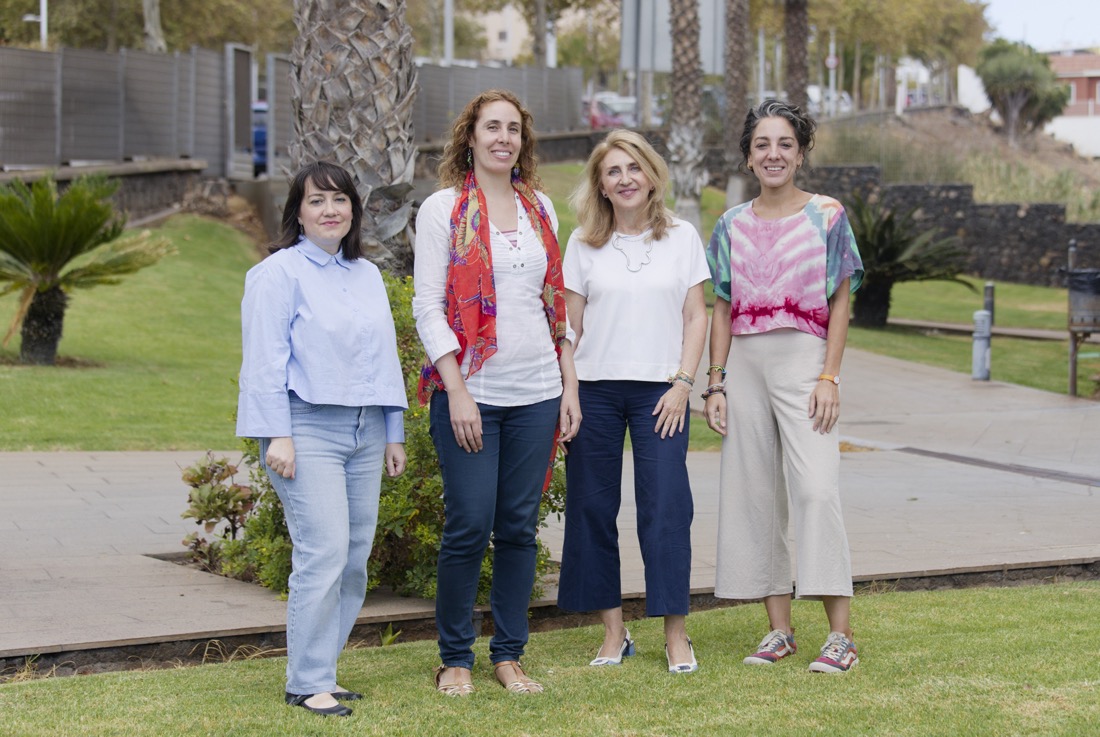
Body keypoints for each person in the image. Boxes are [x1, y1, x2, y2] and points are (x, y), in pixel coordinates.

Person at [412, 89, 581, 697]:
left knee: (517, 526)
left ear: (523, 141)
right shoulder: (443, 209)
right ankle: (454, 657)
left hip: (537, 391)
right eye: (492, 127)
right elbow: (427, 307)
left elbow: (554, 304)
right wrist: (457, 390)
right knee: (468, 523)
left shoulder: (541, 210)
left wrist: (569, 386)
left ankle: (508, 654)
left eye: (513, 129)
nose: (503, 138)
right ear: (470, 136)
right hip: (472, 392)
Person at [236, 161, 408, 716]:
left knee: (354, 556)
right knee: (323, 550)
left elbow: (384, 359)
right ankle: (306, 680)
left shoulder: (367, 276)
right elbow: (264, 362)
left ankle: (321, 673)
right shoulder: (277, 274)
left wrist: (392, 431)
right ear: (298, 213)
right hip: (304, 428)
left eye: (339, 200)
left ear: (353, 211)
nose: (329, 210)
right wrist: (276, 436)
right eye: (316, 201)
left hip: (365, 430)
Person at [704, 100, 864, 674]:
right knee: (755, 495)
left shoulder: (827, 215)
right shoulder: (730, 224)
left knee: (817, 490)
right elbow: (721, 305)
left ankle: (840, 636)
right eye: (762, 144)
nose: (774, 154)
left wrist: (829, 375)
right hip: (744, 363)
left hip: (805, 360)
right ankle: (779, 631)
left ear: (801, 153)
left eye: (785, 144)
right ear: (749, 156)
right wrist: (715, 384)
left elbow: (842, 299)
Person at [556, 130, 709, 674]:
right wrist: (569, 391)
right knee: (593, 510)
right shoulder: (582, 244)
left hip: (661, 393)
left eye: (633, 168)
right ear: (600, 183)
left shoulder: (684, 237)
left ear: (651, 176)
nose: (624, 179)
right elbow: (568, 329)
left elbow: (697, 316)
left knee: (666, 508)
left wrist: (684, 382)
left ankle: (676, 636)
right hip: (594, 392)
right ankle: (614, 633)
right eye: (613, 171)